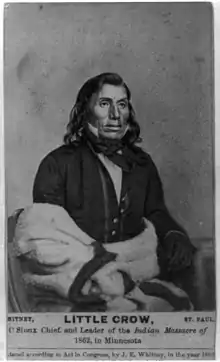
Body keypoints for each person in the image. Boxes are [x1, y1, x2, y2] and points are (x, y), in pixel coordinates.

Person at [13, 72, 195, 312]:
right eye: (104, 104)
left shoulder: (142, 164)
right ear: (85, 110)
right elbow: (48, 234)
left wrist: (173, 234)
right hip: (79, 278)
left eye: (122, 105)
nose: (115, 115)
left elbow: (155, 212)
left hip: (136, 272)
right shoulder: (57, 164)